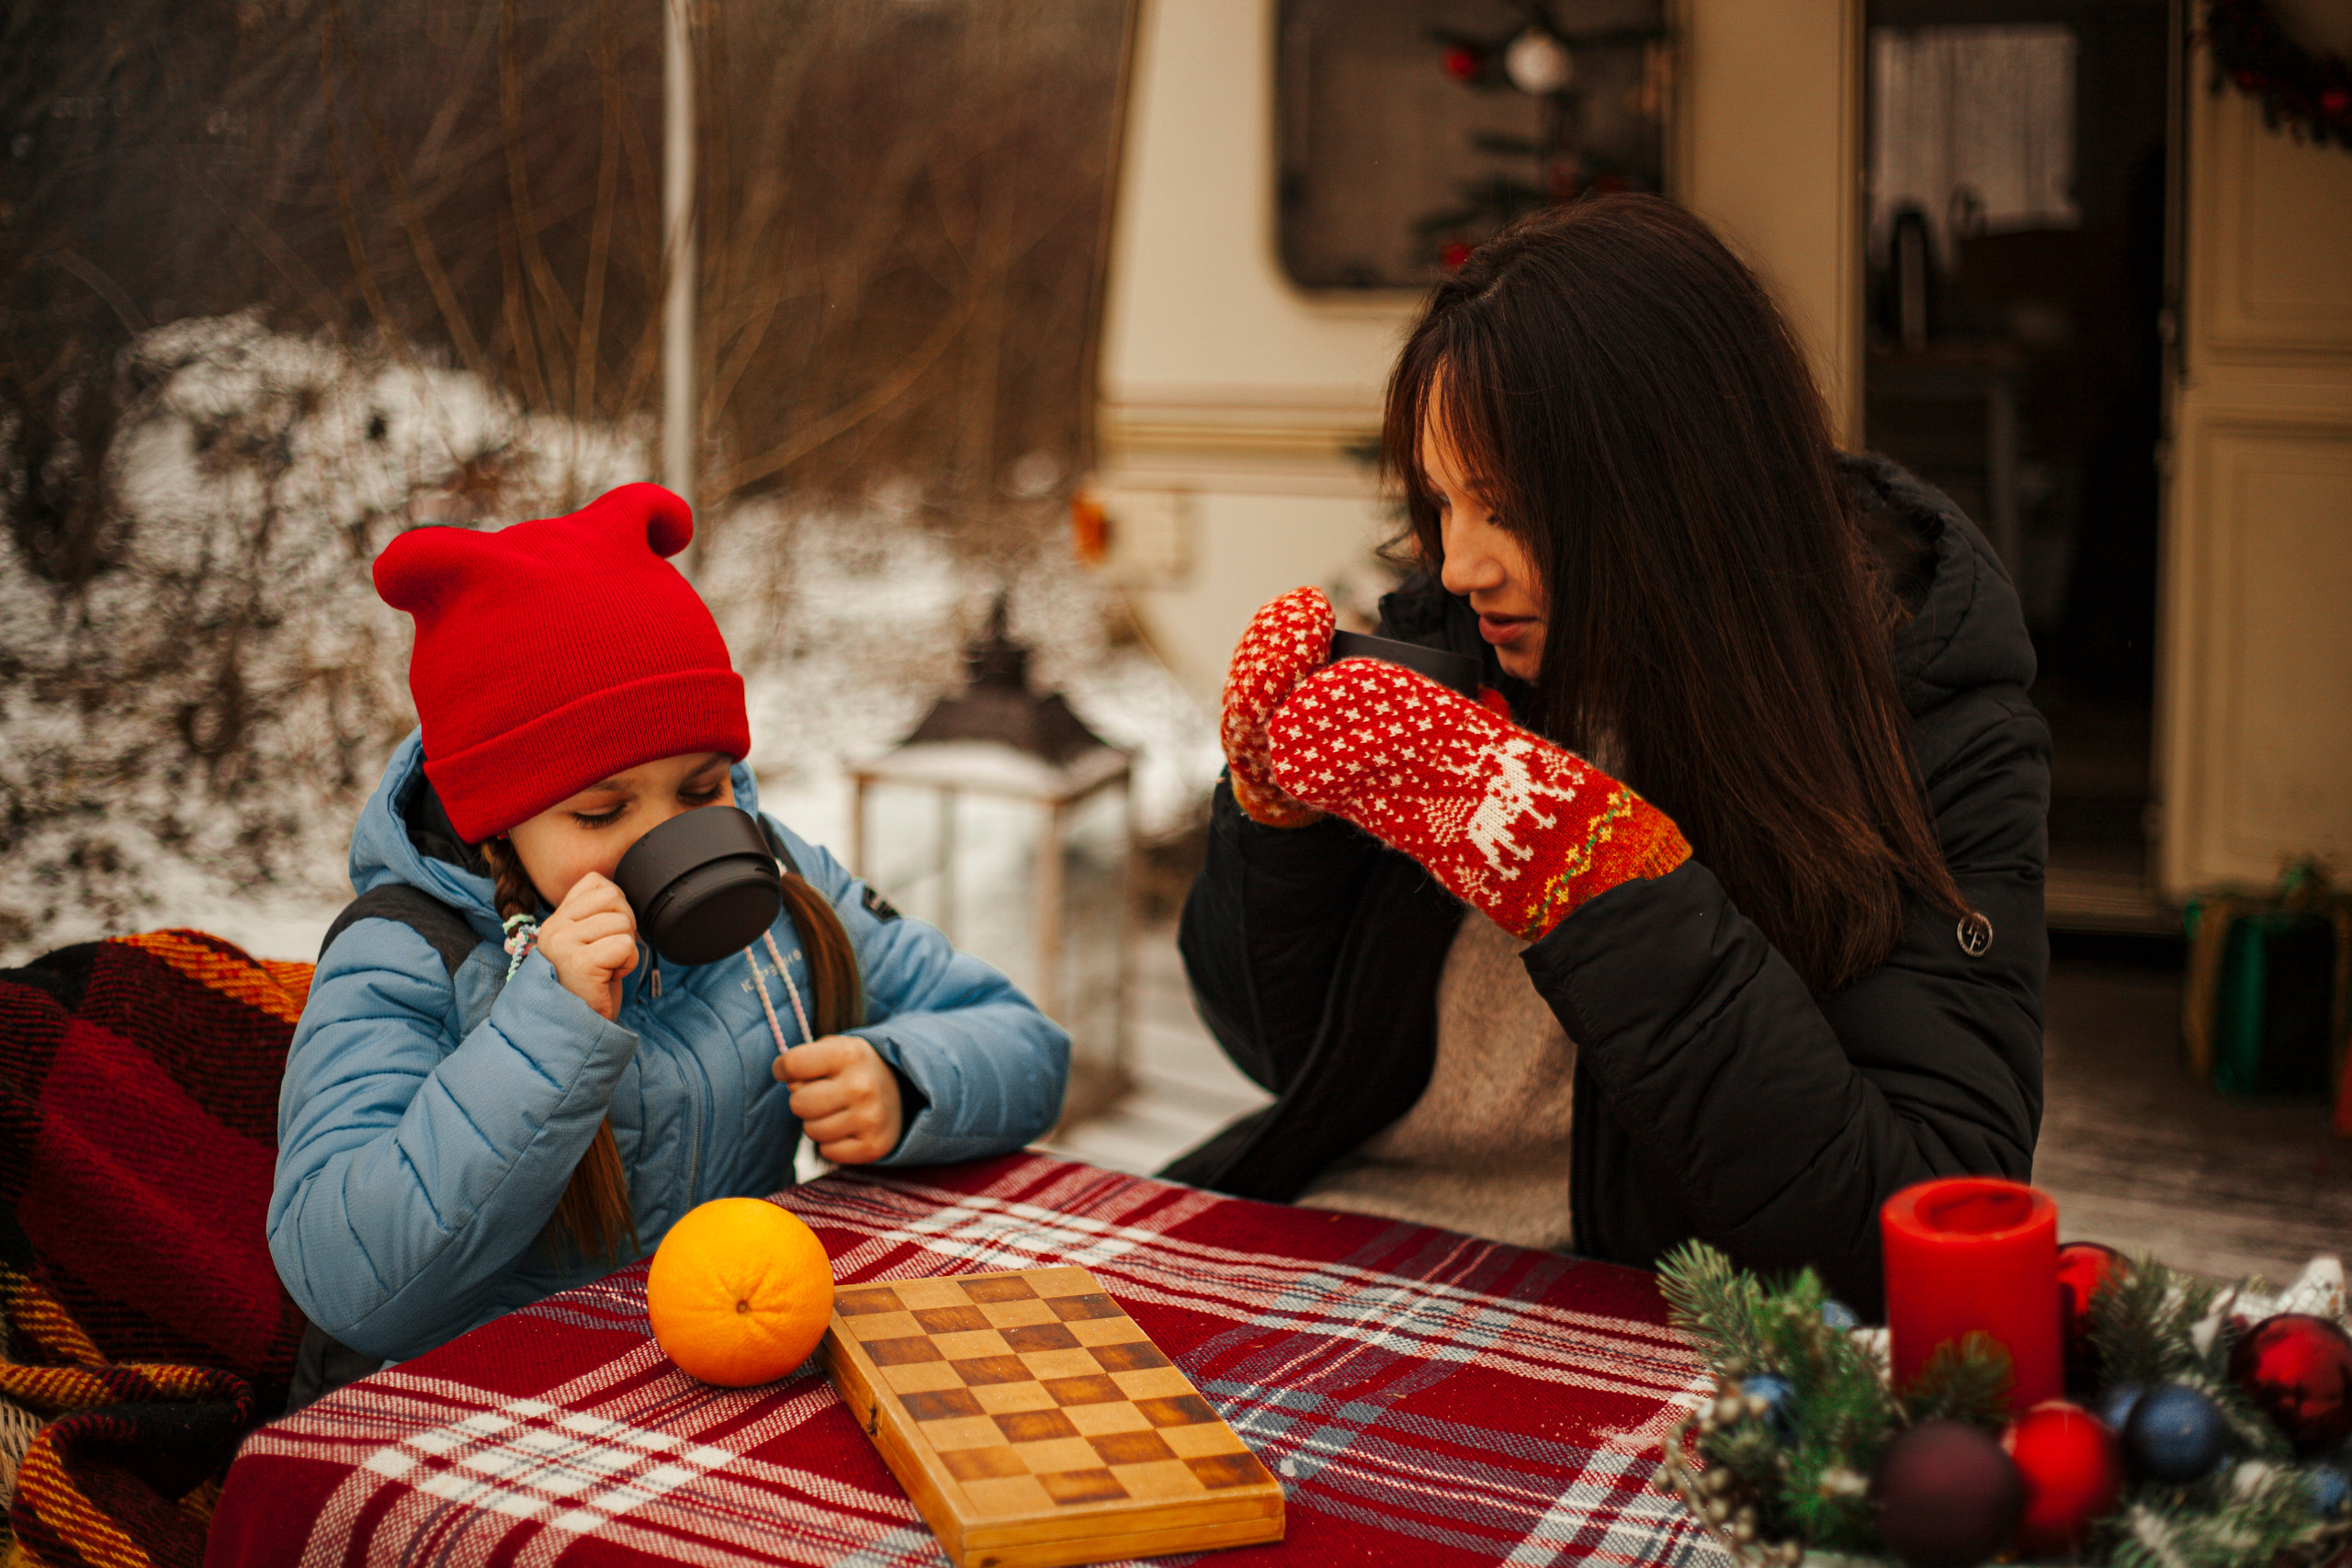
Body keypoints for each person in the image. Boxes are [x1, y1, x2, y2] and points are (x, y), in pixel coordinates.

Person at [1170, 196, 2046, 1316]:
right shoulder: (1447, 652)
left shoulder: (1927, 726)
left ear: (1676, 489)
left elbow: (1918, 1228)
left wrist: (1586, 875)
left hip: (1635, 1315)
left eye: (1508, 510)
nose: (1459, 565)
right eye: (1441, 503)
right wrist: (1272, 828)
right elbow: (1281, 1059)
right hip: (1345, 1233)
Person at [270, 484, 1069, 1378]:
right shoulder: (406, 953)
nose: (668, 839)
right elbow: (344, 1279)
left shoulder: (782, 885)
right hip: (469, 1403)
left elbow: (1028, 1047)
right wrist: (547, 1026)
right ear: (494, 823)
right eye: (601, 810)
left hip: (722, 1365)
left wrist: (907, 1082)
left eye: (700, 789)